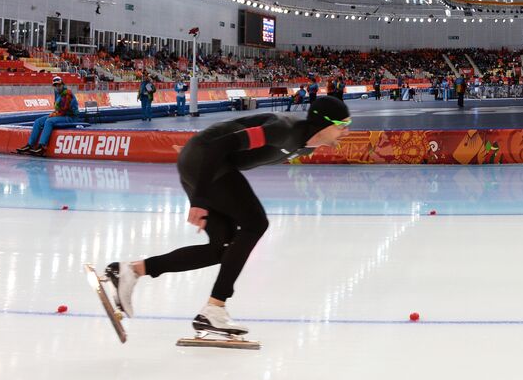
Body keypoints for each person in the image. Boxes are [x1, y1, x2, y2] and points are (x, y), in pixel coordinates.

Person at [105, 96, 351, 338]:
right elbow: (218, 146)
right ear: (325, 124)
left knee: (223, 248)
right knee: (256, 223)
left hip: (205, 165)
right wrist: (200, 197)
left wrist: (195, 159)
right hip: (206, 162)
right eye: (343, 126)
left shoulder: (305, 143)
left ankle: (131, 271)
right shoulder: (282, 130)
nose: (346, 132)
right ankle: (215, 307)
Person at [16, 76, 80, 155]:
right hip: (60, 115)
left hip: (70, 117)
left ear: (62, 84)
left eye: (59, 85)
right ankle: (30, 145)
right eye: (55, 85)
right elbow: (58, 110)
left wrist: (53, 115)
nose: (57, 87)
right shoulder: (57, 93)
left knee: (49, 121)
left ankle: (42, 146)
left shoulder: (67, 94)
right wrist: (54, 114)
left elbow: (64, 110)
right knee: (38, 122)